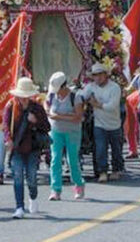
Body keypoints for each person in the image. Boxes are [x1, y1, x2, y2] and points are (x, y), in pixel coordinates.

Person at [3, 77, 50, 219]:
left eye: (26, 96)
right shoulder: (11, 106)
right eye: (21, 96)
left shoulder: (37, 108)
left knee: (32, 177)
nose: (23, 99)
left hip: (33, 148)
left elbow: (47, 127)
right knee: (17, 176)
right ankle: (19, 207)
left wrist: (35, 121)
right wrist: (8, 140)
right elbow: (5, 126)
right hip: (17, 148)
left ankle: (33, 197)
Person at [45, 72, 85, 201]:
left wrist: (59, 117)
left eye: (59, 90)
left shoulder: (75, 96)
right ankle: (55, 189)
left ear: (64, 86)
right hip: (55, 131)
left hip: (72, 132)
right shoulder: (52, 95)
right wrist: (47, 110)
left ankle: (79, 184)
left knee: (72, 160)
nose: (57, 93)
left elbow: (78, 117)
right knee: (55, 159)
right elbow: (46, 102)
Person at [81, 63, 124, 183]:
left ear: (106, 75)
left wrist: (97, 105)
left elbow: (112, 106)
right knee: (100, 148)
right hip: (99, 124)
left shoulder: (114, 87)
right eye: (95, 75)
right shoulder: (91, 87)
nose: (98, 78)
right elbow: (82, 97)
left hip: (114, 123)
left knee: (116, 149)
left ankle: (117, 169)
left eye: (100, 74)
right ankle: (102, 171)